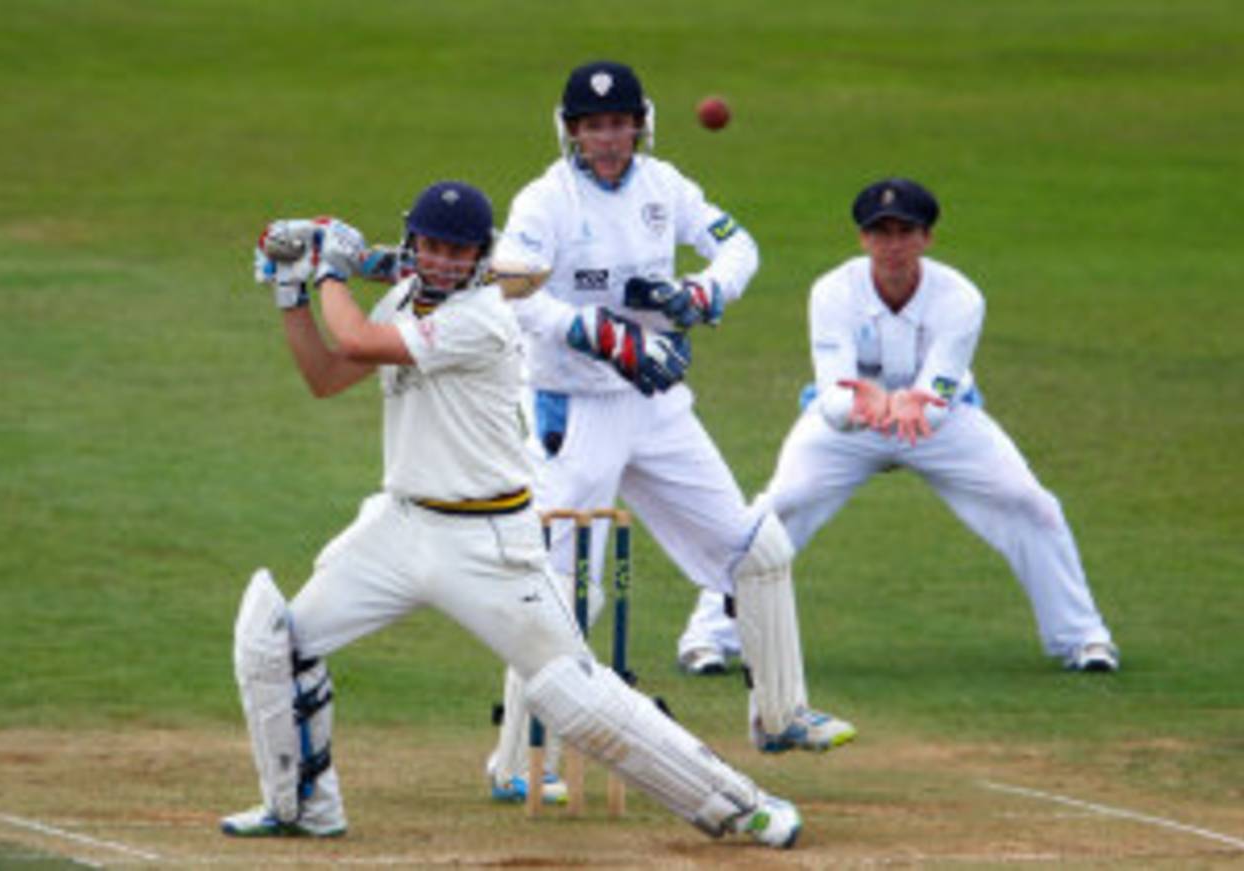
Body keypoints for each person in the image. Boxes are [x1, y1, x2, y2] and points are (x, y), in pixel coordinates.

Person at [219, 181, 802, 849]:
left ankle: (742, 804)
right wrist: (292, 293)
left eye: (457, 249)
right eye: (431, 245)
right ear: (414, 243)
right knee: (278, 644)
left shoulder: (483, 317)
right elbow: (325, 374)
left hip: (488, 544)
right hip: (400, 524)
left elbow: (351, 339)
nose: (441, 259)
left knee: (573, 697)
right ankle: (301, 806)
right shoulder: (402, 300)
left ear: (480, 256)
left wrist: (328, 266)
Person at [484, 60, 856, 804]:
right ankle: (519, 760)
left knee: (760, 549)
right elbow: (512, 291)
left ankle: (780, 713)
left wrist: (699, 292)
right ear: (571, 131)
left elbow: (740, 245)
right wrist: (598, 333)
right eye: (593, 127)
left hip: (654, 403)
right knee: (564, 584)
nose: (608, 139)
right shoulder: (544, 200)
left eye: (619, 123)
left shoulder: (666, 186)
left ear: (639, 123)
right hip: (573, 406)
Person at [678, 177, 1119, 674]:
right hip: (849, 425)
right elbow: (832, 400)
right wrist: (867, 406)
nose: (892, 246)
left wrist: (910, 405)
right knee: (781, 504)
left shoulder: (960, 298)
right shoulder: (832, 292)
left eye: (905, 233)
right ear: (863, 239)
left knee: (1029, 503)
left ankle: (1083, 639)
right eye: (880, 233)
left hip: (942, 424)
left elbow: (936, 401)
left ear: (926, 238)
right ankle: (709, 638)